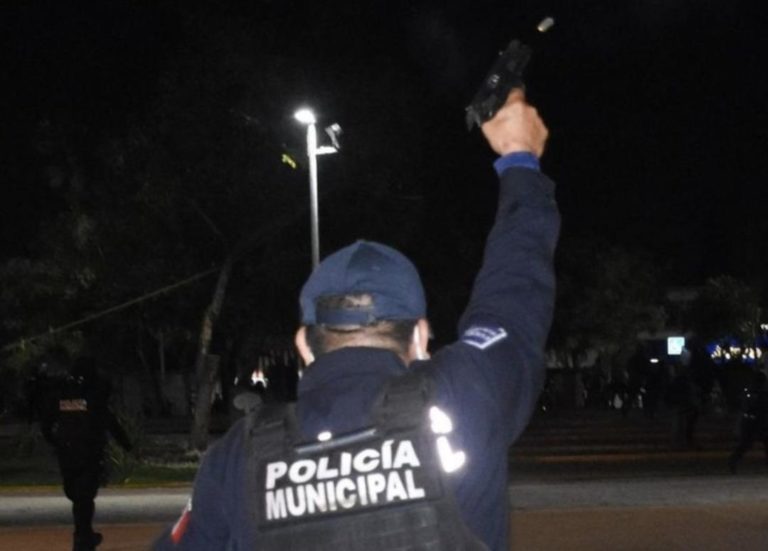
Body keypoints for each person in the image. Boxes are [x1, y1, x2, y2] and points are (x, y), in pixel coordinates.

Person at [153, 88, 558, 551]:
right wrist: (519, 160)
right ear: (421, 338)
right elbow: (515, 294)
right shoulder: (465, 398)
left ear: (304, 345)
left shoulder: (240, 456)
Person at [34, 354, 133, 551]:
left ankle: (83, 535)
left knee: (78, 497)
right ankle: (83, 537)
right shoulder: (93, 395)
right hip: (88, 453)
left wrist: (56, 442)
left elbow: (47, 423)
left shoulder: (63, 394)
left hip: (68, 453)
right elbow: (108, 420)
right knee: (84, 498)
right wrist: (126, 445)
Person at [728, 371, 768, 473]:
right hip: (756, 421)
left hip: (753, 421)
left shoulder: (751, 392)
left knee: (746, 443)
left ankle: (733, 460)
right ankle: (733, 460)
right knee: (746, 443)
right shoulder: (757, 393)